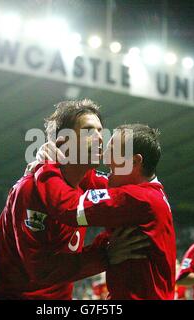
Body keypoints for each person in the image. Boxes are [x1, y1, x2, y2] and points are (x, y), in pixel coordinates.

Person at [0, 99, 147, 300]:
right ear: (62, 142)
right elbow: (41, 271)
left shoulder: (89, 181)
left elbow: (135, 194)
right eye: (88, 131)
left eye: (100, 131)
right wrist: (105, 254)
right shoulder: (30, 190)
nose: (99, 138)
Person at [34, 124, 176, 299]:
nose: (106, 158)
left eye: (113, 150)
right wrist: (68, 154)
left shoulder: (139, 199)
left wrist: (46, 166)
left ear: (135, 161)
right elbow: (92, 179)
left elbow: (69, 208)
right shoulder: (143, 191)